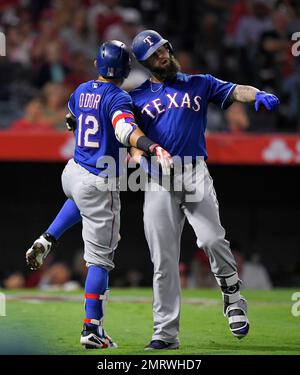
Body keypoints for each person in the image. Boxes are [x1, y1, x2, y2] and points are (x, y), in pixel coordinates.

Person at [26, 30, 280, 350]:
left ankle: (232, 296)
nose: (162, 56)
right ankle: (165, 333)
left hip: (192, 172)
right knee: (163, 261)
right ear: (146, 65)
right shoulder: (136, 96)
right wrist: (139, 157)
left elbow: (236, 90)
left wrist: (256, 94)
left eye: (163, 49)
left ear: (169, 49)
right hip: (158, 179)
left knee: (213, 239)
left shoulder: (199, 82)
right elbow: (122, 130)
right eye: (154, 56)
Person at [26, 39, 172, 350]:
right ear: (125, 70)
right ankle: (92, 328)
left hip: (73, 172)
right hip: (98, 183)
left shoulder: (80, 90)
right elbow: (123, 130)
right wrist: (150, 145)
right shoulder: (119, 97)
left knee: (79, 201)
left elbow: (70, 119)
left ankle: (48, 238)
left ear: (97, 65)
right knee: (100, 262)